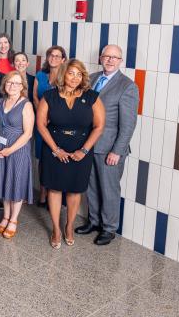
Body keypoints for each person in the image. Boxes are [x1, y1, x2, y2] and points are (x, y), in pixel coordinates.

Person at [37, 59, 105, 249]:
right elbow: (41, 125)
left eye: (79, 74)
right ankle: (56, 229)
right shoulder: (50, 96)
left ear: (83, 76)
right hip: (54, 149)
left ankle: (69, 226)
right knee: (54, 188)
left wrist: (84, 150)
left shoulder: (92, 97)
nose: (75, 77)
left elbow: (99, 127)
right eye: (71, 73)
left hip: (80, 151)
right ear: (63, 74)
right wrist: (55, 149)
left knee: (75, 190)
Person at [76, 45, 139, 246]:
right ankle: (94, 221)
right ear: (101, 58)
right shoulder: (91, 79)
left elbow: (128, 125)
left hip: (110, 148)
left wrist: (117, 151)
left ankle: (109, 228)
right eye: (107, 56)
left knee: (109, 189)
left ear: (121, 61)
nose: (110, 60)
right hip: (89, 144)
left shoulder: (127, 86)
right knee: (92, 186)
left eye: (115, 57)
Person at [0, 71, 34, 240]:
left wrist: (10, 150)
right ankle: (5, 216)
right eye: (9, 83)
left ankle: (14, 219)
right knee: (4, 183)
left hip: (17, 151)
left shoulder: (26, 105)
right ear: (4, 85)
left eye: (16, 83)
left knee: (16, 184)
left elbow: (28, 133)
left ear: (22, 86)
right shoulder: (0, 102)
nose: (12, 86)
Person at [33, 45, 67, 207]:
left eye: (57, 56)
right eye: (50, 55)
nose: (53, 58)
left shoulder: (67, 77)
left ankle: (56, 193)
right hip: (42, 123)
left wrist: (52, 117)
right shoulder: (40, 74)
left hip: (58, 124)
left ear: (63, 59)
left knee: (57, 157)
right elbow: (34, 96)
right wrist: (43, 115)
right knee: (43, 157)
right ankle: (43, 193)